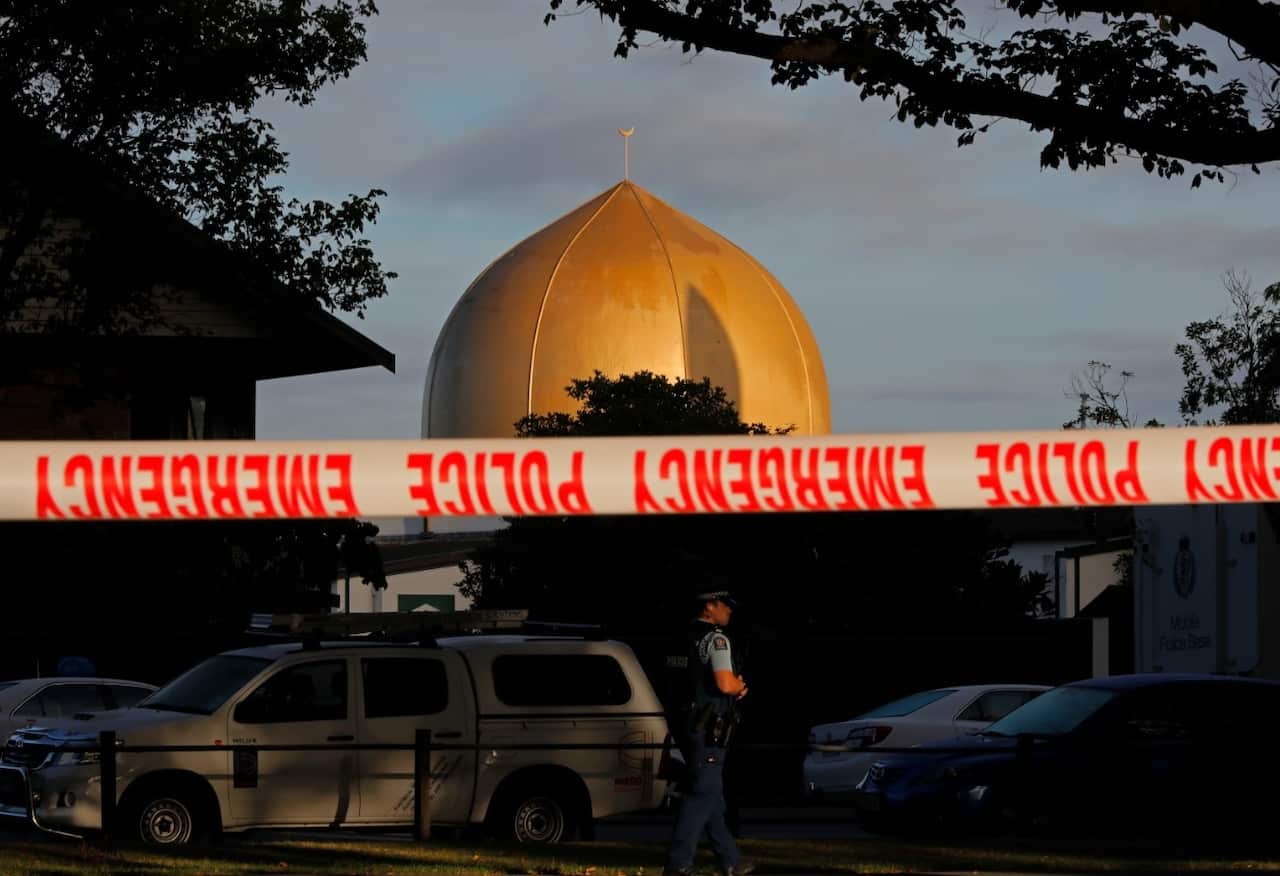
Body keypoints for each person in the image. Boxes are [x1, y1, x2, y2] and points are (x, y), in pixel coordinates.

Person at [664, 589, 754, 876]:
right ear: (710, 607)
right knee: (702, 792)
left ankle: (731, 859)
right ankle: (678, 864)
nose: (729, 612)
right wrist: (739, 686)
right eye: (725, 606)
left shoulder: (681, 638)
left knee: (711, 793)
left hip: (685, 722)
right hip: (709, 724)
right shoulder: (716, 639)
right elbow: (725, 683)